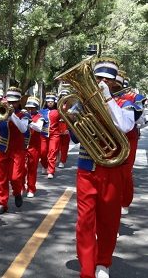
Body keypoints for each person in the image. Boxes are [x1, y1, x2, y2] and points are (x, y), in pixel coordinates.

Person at [70, 58, 136, 278]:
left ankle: (103, 262)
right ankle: (87, 269)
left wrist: (107, 99)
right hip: (86, 166)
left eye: (107, 80)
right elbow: (74, 138)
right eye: (98, 78)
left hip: (113, 167)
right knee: (84, 222)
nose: (101, 83)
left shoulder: (128, 101)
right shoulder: (83, 101)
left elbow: (126, 125)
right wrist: (72, 116)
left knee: (109, 220)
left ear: (115, 83)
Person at [111, 70, 145, 215]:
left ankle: (124, 201)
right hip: (108, 137)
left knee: (125, 172)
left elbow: (140, 121)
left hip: (128, 137)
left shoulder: (135, 97)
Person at [0, 87, 30, 215]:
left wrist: (12, 114)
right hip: (2, 148)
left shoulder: (24, 115)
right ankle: (2, 203)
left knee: (15, 177)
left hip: (17, 150)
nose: (11, 104)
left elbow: (24, 129)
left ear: (19, 102)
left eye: (14, 102)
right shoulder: (2, 111)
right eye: (9, 102)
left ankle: (17, 192)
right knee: (1, 177)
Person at [24, 97, 44, 198]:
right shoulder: (23, 115)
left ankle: (31, 188)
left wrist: (29, 122)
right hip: (22, 146)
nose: (30, 110)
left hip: (34, 147)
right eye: (28, 108)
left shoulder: (40, 117)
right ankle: (20, 187)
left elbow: (39, 128)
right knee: (21, 168)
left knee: (32, 169)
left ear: (36, 108)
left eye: (32, 108)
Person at [39, 92, 60, 179]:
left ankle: (51, 171)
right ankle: (44, 166)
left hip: (54, 135)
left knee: (52, 152)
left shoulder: (58, 111)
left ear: (54, 102)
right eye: (48, 101)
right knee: (42, 152)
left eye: (51, 101)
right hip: (43, 135)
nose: (50, 103)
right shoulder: (41, 111)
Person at [57, 88, 71, 168]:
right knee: (57, 145)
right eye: (62, 96)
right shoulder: (57, 104)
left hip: (66, 125)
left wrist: (69, 129)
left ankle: (62, 160)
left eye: (65, 96)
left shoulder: (71, 104)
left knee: (64, 146)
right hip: (58, 125)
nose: (64, 97)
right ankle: (59, 159)